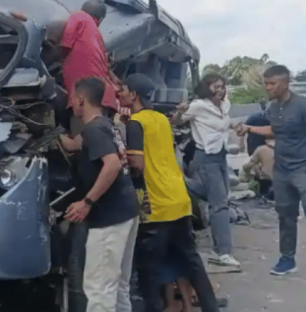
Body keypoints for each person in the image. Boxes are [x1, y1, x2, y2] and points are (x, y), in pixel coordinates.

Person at [119, 74, 220, 312]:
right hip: (179, 198)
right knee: (192, 262)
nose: (119, 93)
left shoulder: (135, 122)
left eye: (123, 89)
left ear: (134, 95)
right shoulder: (162, 119)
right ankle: (210, 307)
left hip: (155, 204)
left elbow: (137, 164)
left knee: (149, 270)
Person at [59, 77, 139, 312]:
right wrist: (50, 133)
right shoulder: (103, 125)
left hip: (109, 217)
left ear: (81, 99)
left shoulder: (94, 130)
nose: (71, 104)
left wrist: (87, 202)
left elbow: (112, 165)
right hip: (126, 210)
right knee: (118, 287)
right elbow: (73, 145)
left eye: (73, 99)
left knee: (98, 289)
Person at [236, 64, 306, 276]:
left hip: (303, 168)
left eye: (272, 83)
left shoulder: (302, 105)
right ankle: (287, 259)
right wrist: (249, 128)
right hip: (282, 170)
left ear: (285, 83)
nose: (268, 87)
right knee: (285, 215)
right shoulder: (272, 108)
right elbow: (275, 129)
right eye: (266, 83)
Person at [172, 73, 239, 268]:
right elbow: (177, 121)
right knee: (219, 206)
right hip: (205, 157)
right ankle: (222, 252)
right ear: (205, 88)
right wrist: (179, 112)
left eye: (222, 86)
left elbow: (225, 125)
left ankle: (181, 183)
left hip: (220, 156)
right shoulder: (198, 106)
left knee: (220, 200)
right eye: (215, 87)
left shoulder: (225, 105)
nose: (220, 90)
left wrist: (237, 126)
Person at [59, 0, 120, 132]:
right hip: (104, 97)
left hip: (87, 100)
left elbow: (65, 45)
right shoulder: (97, 35)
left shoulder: (79, 16)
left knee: (85, 141)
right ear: (101, 19)